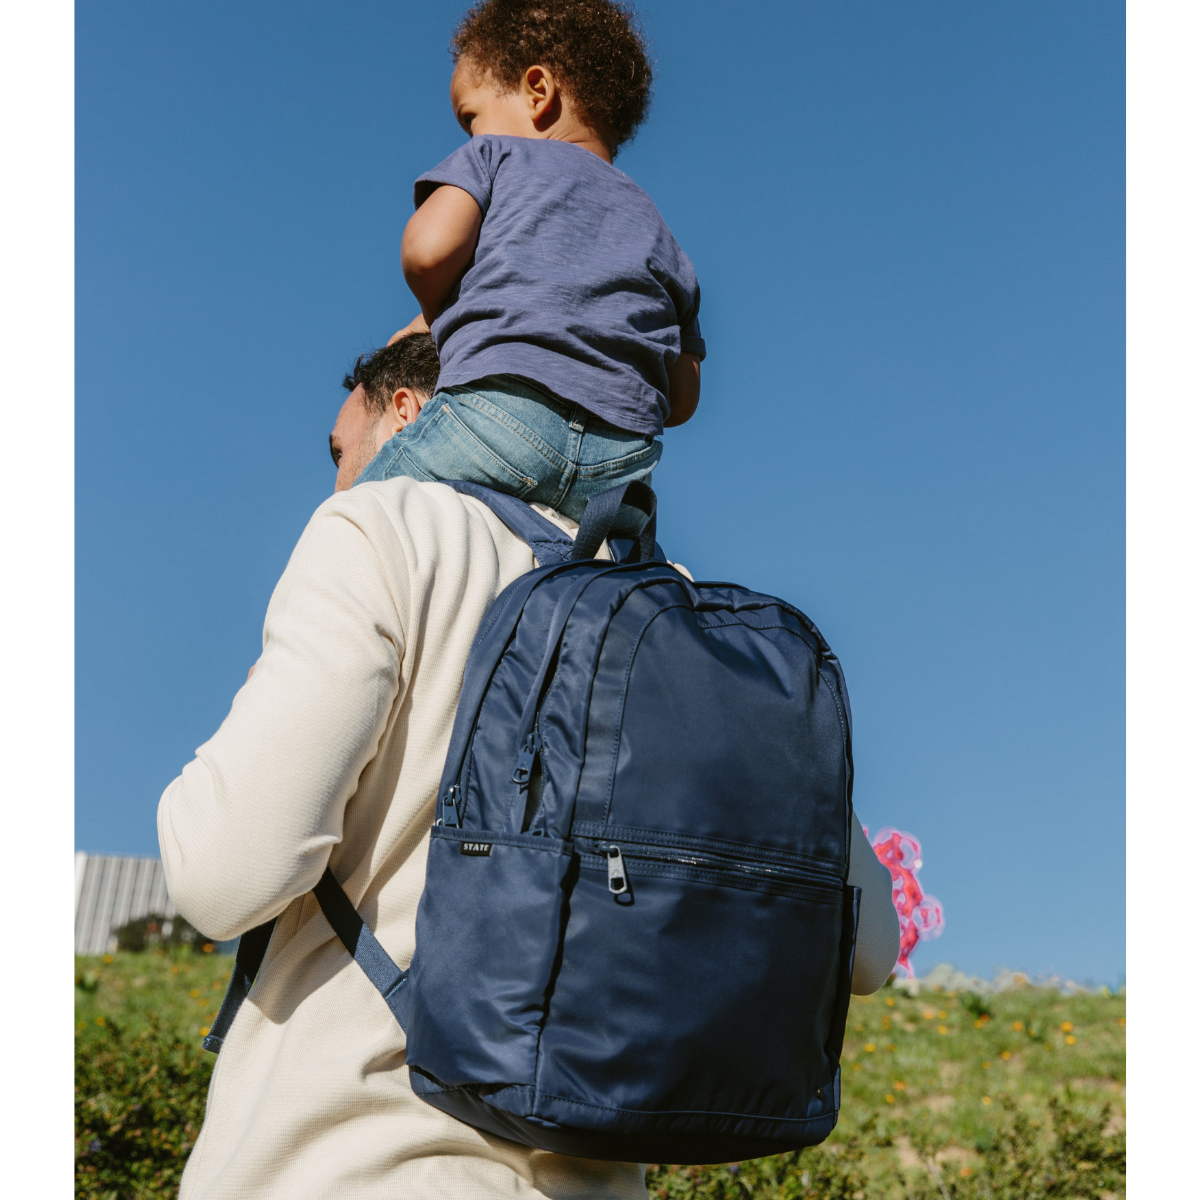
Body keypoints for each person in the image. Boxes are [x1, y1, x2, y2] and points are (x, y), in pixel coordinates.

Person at [157, 338, 900, 1199]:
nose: (336, 481)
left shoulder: (381, 529)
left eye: (339, 449)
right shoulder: (672, 607)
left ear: (407, 414)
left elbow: (221, 877)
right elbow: (869, 948)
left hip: (351, 1170)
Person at [355, 0, 704, 524]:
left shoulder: (497, 156)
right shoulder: (663, 237)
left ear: (538, 92)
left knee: (366, 516)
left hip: (498, 415)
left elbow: (426, 254)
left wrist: (432, 320)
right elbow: (683, 396)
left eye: (470, 118)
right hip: (620, 468)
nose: (470, 136)